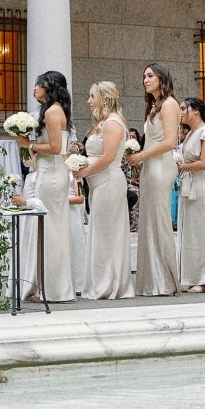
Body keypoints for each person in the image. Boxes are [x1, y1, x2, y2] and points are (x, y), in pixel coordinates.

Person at [15, 69, 74, 303]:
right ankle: (49, 285)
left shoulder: (52, 112)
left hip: (51, 175)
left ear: (48, 87)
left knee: (49, 230)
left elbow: (56, 147)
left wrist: (29, 144)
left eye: (38, 85)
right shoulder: (55, 110)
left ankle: (52, 288)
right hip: (51, 173)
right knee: (51, 229)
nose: (34, 89)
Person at [71, 80, 131, 300]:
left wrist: (85, 171)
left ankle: (110, 284)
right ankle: (101, 280)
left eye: (92, 96)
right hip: (99, 184)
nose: (88, 101)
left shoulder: (113, 123)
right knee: (101, 232)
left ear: (104, 99)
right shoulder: (103, 123)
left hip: (108, 182)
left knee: (108, 234)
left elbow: (107, 157)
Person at [127, 63, 181, 298]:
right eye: (144, 77)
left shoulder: (169, 104)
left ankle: (166, 280)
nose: (145, 80)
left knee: (159, 220)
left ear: (161, 78)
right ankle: (151, 280)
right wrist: (141, 161)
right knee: (149, 220)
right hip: (150, 166)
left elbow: (169, 142)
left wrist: (140, 155)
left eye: (150, 76)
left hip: (161, 166)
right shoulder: (153, 106)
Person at [175, 97, 205, 293]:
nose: (181, 112)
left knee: (203, 231)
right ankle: (193, 275)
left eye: (184, 108)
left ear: (196, 111)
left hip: (203, 185)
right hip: (190, 185)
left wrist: (181, 166)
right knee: (192, 234)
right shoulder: (190, 134)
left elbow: (204, 162)